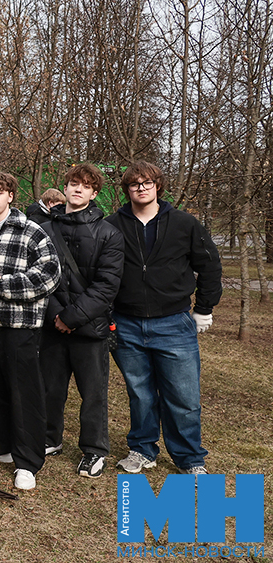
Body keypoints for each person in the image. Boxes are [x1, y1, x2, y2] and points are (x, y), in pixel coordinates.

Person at [106, 161, 222, 476]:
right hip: (126, 323)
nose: (140, 188)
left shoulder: (185, 224)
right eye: (134, 184)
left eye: (146, 183)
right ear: (127, 189)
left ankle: (189, 457)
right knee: (140, 393)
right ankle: (142, 450)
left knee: (183, 397)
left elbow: (209, 266)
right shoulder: (112, 224)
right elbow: (100, 271)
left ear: (158, 186)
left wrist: (204, 308)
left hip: (173, 323)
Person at [0, 171, 60, 490]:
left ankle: (27, 461)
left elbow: (49, 274)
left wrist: (4, 285)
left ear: (10, 196)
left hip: (19, 326)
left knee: (24, 392)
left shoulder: (30, 231)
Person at [39, 163, 123, 478]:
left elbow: (107, 285)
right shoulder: (46, 229)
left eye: (85, 185)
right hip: (53, 326)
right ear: (66, 186)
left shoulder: (108, 233)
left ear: (94, 192)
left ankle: (94, 451)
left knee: (93, 394)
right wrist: (55, 316)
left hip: (91, 329)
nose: (78, 189)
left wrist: (72, 317)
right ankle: (49, 438)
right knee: (50, 388)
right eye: (73, 183)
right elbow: (41, 277)